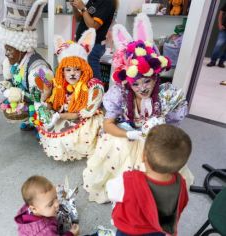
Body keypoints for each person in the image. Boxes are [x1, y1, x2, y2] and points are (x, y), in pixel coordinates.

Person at [83, 13, 194, 203]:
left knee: (159, 157)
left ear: (155, 78)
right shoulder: (120, 94)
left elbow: (173, 131)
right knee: (118, 147)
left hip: (154, 141)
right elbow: (107, 124)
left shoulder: (166, 95)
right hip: (128, 136)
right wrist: (128, 135)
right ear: (128, 83)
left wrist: (159, 127)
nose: (142, 88)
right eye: (136, 84)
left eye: (147, 81)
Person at [106, 124, 191, 235]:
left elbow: (111, 192)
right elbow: (180, 206)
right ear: (181, 166)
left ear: (143, 156)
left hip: (128, 230)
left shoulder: (129, 180)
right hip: (156, 230)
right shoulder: (181, 184)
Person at [38, 28, 104, 161]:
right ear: (62, 71)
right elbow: (52, 104)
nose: (72, 73)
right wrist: (46, 100)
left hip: (82, 118)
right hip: (64, 116)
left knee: (76, 136)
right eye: (68, 70)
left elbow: (80, 114)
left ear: (84, 70)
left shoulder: (91, 86)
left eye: (77, 69)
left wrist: (59, 115)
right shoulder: (59, 84)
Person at [0, 0, 54, 131]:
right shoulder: (17, 62)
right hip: (29, 99)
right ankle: (30, 120)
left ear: (21, 48)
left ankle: (42, 127)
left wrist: (19, 94)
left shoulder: (37, 69)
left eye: (10, 50)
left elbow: (42, 97)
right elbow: (13, 81)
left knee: (39, 106)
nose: (6, 54)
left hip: (42, 102)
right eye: (5, 49)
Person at [15, 175, 79, 236]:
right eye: (50, 204)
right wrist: (71, 234)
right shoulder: (45, 231)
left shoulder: (34, 206)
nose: (57, 204)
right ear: (34, 209)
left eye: (56, 197)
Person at [71, 0, 117, 81]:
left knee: (93, 79)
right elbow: (79, 19)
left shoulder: (107, 2)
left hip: (94, 46)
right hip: (84, 45)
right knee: (84, 77)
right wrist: (75, 6)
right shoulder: (92, 1)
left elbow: (93, 26)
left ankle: (98, 93)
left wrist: (83, 8)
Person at [207, 2, 226, 68]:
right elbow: (221, 13)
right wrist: (220, 24)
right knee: (218, 45)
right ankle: (213, 61)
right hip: (224, 29)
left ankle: (221, 62)